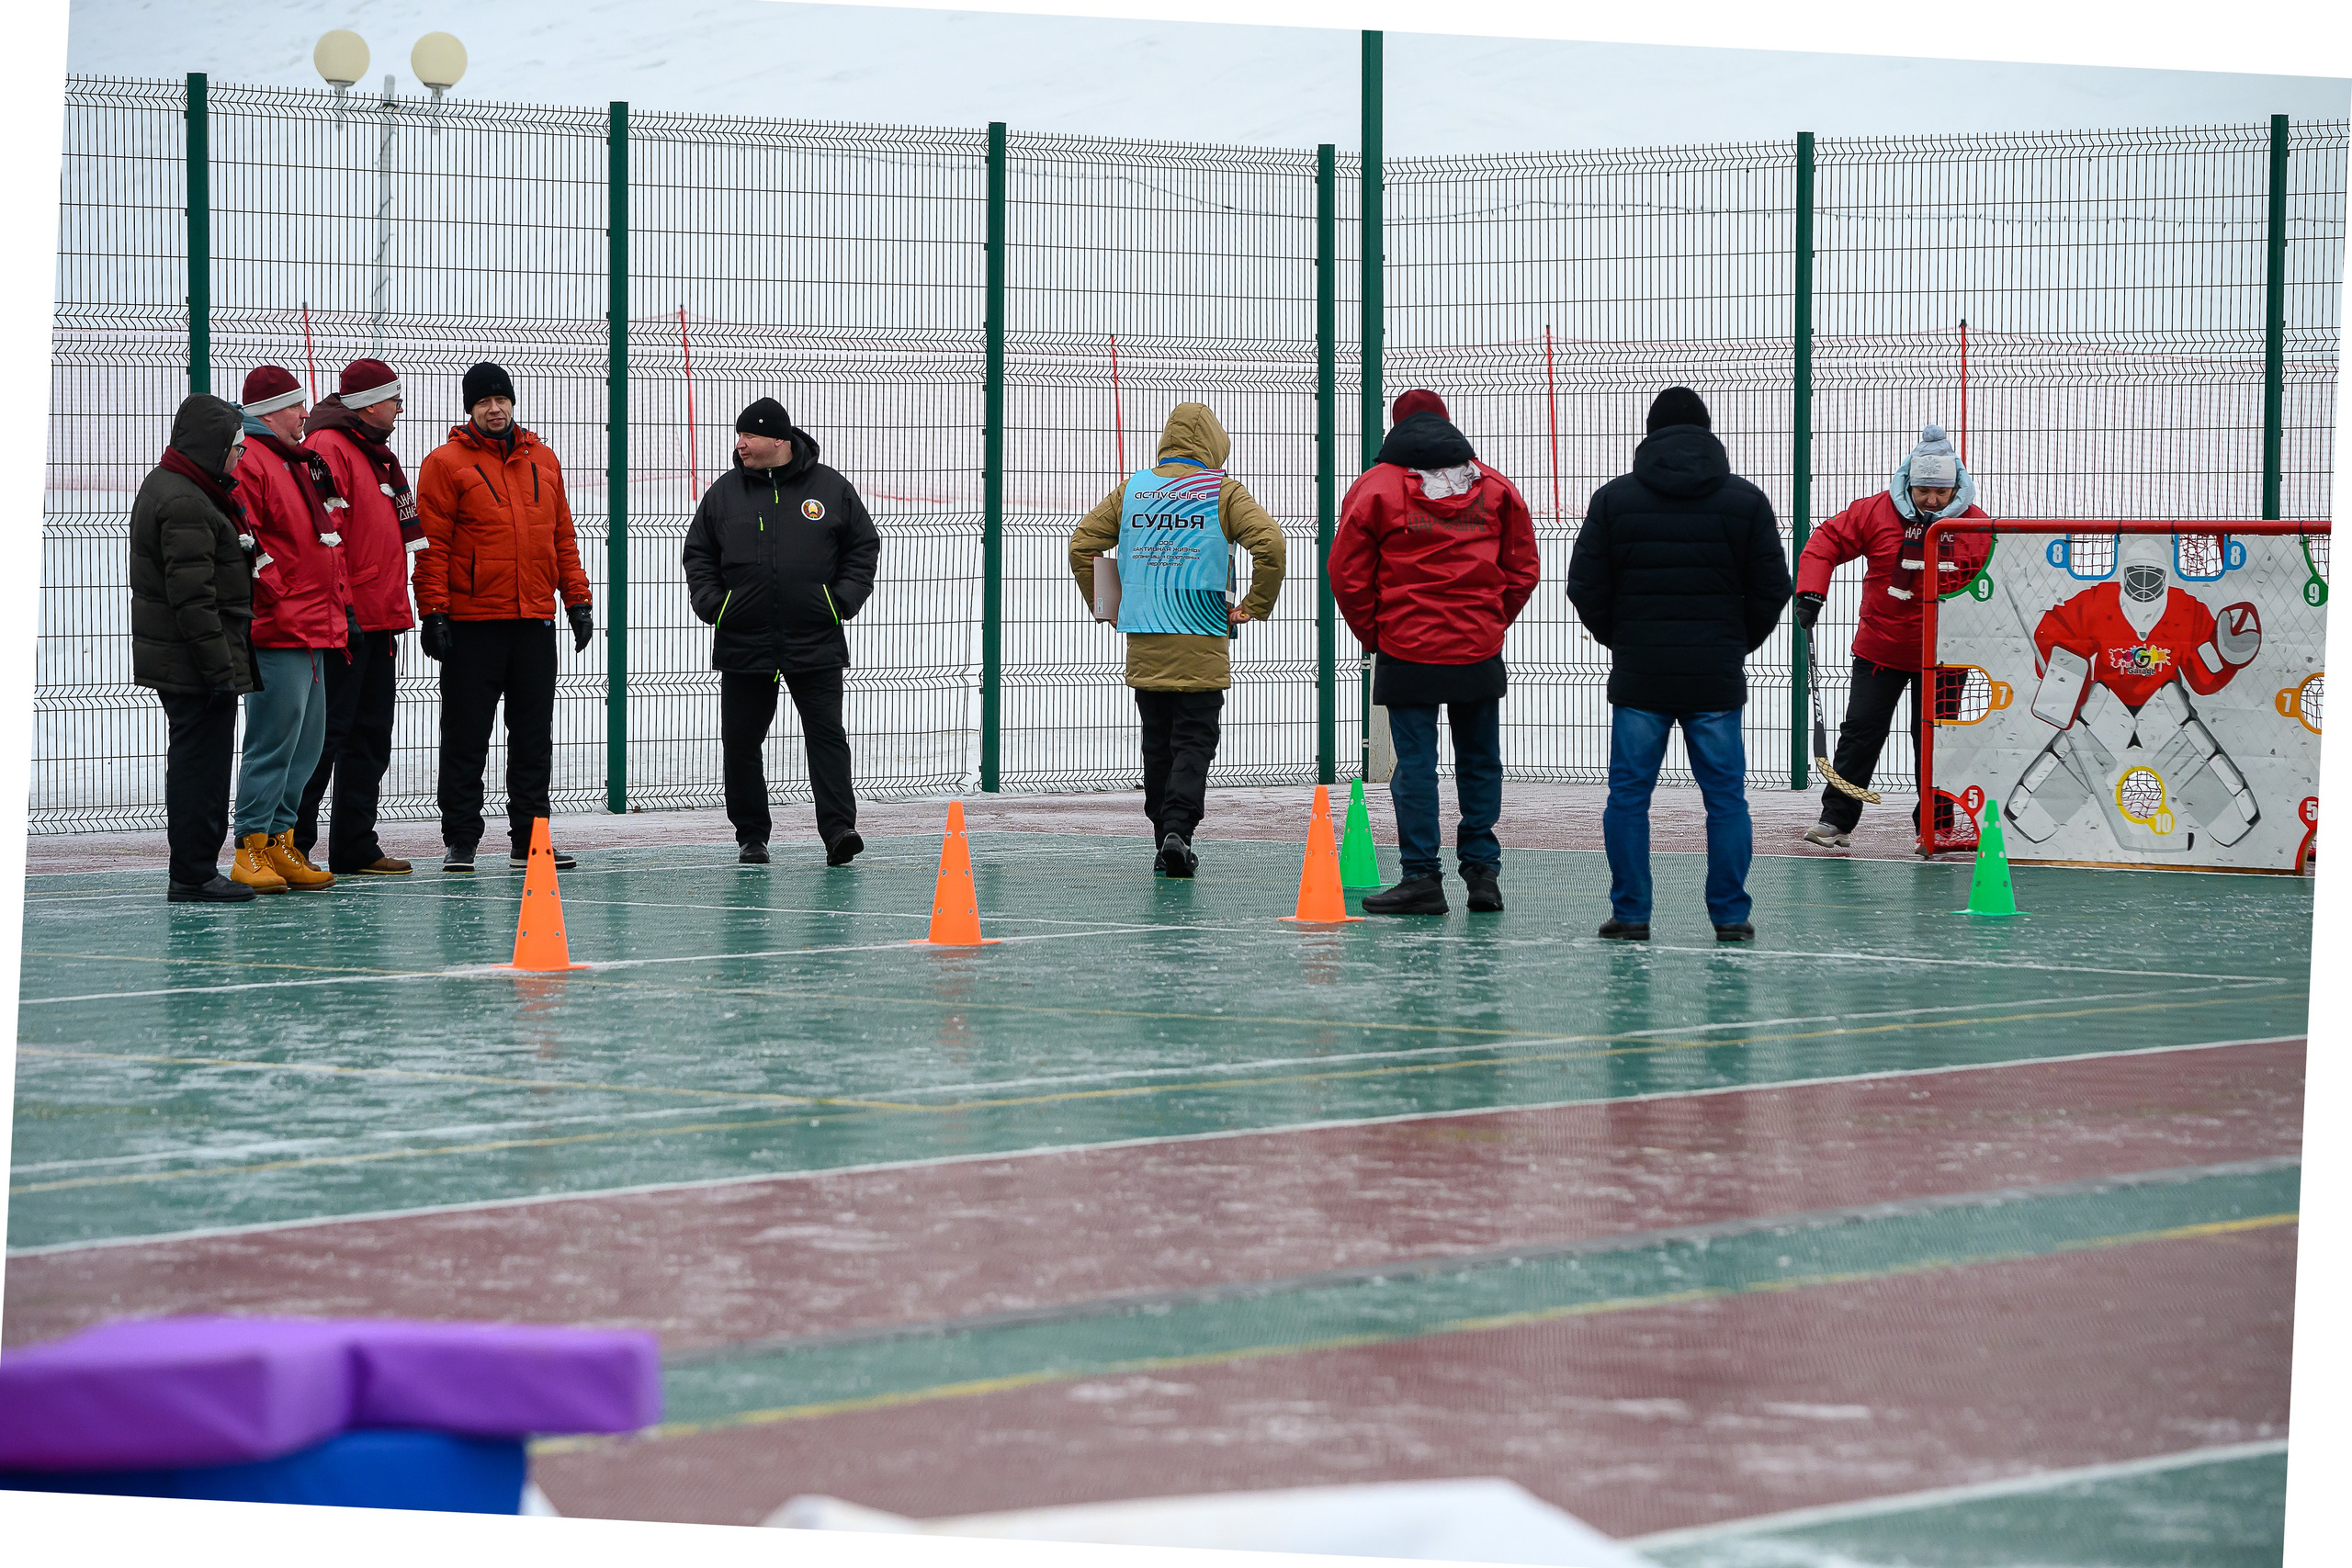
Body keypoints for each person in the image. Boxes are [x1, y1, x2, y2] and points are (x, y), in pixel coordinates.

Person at [1566, 387, 1791, 942]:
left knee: (1628, 796)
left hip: (1641, 675)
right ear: (1708, 434)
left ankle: (1632, 913)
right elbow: (1773, 588)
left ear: (1651, 434)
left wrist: (1624, 640)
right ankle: (1731, 916)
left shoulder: (1614, 500)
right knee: (1725, 799)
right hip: (1714, 676)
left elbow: (1584, 586)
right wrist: (1735, 643)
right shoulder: (1745, 501)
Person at [1329, 389, 1540, 915]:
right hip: (1477, 646)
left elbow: (1346, 573)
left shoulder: (1375, 488)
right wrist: (1490, 619)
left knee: (1416, 765)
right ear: (1447, 425)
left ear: (1395, 426)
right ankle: (1482, 873)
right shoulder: (1492, 487)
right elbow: (1522, 568)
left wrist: (1375, 633)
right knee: (1479, 759)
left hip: (1407, 645)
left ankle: (1422, 877)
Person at [1069, 402, 1285, 878]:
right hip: (1202, 640)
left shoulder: (1134, 491)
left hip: (1145, 640)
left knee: (1158, 743)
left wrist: (1107, 603)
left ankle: (1161, 836)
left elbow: (1083, 543)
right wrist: (1254, 605)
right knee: (1194, 741)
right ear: (1212, 444)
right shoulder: (1223, 492)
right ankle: (1179, 832)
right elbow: (1269, 542)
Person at [681, 398, 880, 866]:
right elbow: (699, 553)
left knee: (826, 735)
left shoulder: (830, 488)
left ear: (779, 440)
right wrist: (717, 605)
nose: (741, 444)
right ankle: (752, 836)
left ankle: (839, 832)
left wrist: (838, 601)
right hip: (744, 641)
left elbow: (863, 546)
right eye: (739, 435)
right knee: (741, 741)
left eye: (749, 436)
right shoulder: (725, 493)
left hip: (815, 639)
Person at [413, 362, 594, 873]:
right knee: (467, 736)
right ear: (469, 408)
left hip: (534, 621)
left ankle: (530, 841)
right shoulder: (445, 464)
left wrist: (576, 600)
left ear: (513, 403)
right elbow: (433, 547)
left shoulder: (543, 460)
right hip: (473, 624)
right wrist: (435, 612)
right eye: (483, 402)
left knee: (534, 738)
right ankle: (462, 840)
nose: (495, 410)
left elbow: (561, 539)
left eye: (502, 400)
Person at [1792, 423, 1992, 849]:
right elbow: (1826, 541)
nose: (1932, 500)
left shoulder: (1975, 525)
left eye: (1941, 492)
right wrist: (1811, 590)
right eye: (1923, 491)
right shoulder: (1875, 512)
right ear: (1908, 481)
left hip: (1945, 655)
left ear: (1957, 486)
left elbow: (1995, 581)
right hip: (1880, 647)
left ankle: (1934, 827)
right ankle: (1836, 820)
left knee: (1937, 740)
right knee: (1860, 732)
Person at [296, 357, 426, 874]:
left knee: (370, 734)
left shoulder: (377, 455)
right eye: (395, 397)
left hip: (379, 619)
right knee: (329, 737)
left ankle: (354, 842)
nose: (400, 407)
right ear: (369, 402)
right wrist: (346, 607)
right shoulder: (331, 449)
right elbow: (329, 539)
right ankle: (297, 842)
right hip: (348, 623)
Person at [130, 394, 263, 903]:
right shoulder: (186, 500)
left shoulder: (185, 487)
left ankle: (195, 868)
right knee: (200, 770)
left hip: (194, 660)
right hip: (195, 665)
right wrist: (218, 673)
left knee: (201, 766)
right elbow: (193, 599)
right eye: (236, 448)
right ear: (213, 447)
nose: (239, 458)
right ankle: (193, 872)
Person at [227, 365, 353, 893]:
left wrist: (338, 605)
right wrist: (278, 598)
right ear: (269, 410)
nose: (306, 414)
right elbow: (245, 540)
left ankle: (281, 840)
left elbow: (324, 541)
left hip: (315, 628)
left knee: (307, 743)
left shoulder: (295, 461)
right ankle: (249, 845)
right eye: (297, 406)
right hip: (281, 628)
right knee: (274, 740)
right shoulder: (253, 460)